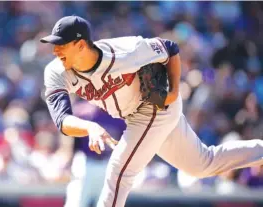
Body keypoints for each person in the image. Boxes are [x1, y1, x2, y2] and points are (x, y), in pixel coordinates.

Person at [40, 15, 263, 207]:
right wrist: (90, 127)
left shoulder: (126, 51)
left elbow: (169, 48)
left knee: (119, 171)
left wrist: (175, 90)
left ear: (80, 45)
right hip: (134, 115)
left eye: (61, 45)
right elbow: (62, 119)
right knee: (202, 164)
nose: (55, 50)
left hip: (154, 106)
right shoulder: (56, 71)